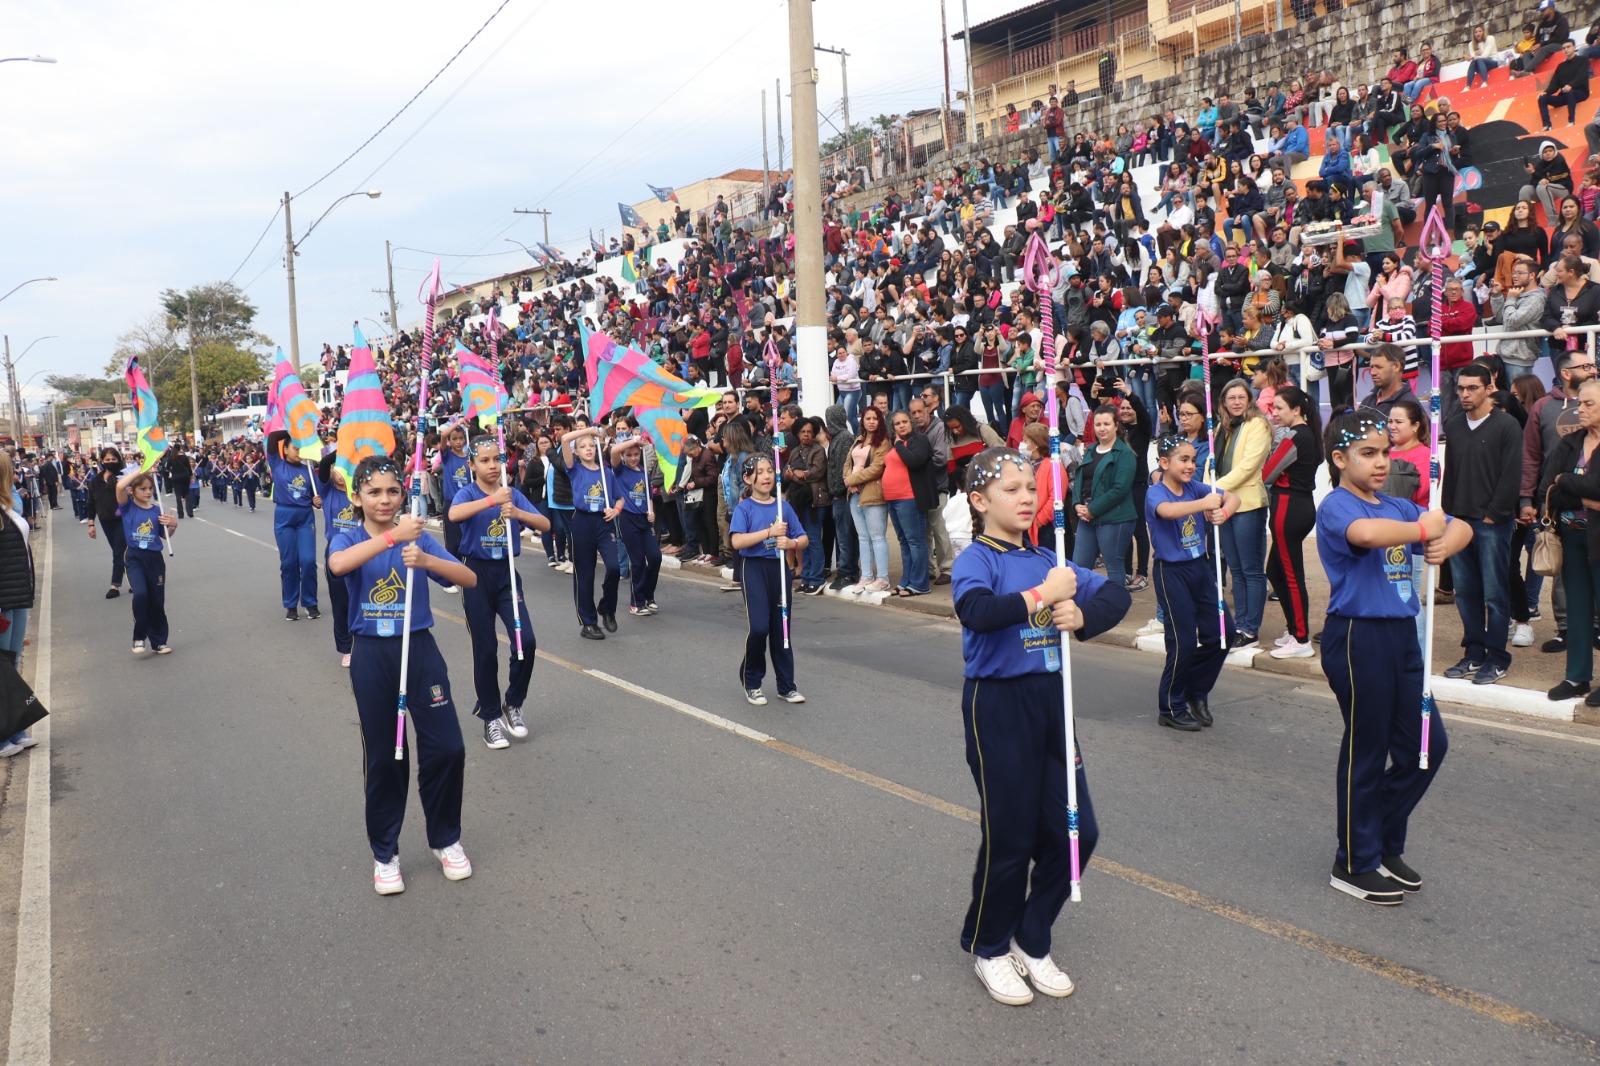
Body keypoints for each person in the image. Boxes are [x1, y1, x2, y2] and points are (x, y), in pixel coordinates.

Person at [952, 446, 1130, 1005]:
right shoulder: (977, 559)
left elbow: (1115, 594)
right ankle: (989, 946)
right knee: (1010, 836)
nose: (1026, 497)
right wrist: (1041, 597)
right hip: (997, 704)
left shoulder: (1049, 558)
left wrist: (1082, 616)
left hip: (1052, 700)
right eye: (1011, 489)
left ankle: (1032, 937)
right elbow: (977, 612)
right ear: (980, 501)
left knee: (1077, 832)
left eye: (1031, 487)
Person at [1317, 408, 1471, 905]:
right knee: (1368, 748)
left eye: (1386, 451)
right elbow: (1366, 536)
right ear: (1340, 459)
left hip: (1404, 635)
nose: (1381, 461)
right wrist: (1425, 531)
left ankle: (1379, 837)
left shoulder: (1399, 506)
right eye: (1368, 453)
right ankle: (1354, 861)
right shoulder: (1337, 506)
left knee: (1427, 746)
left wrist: (1445, 542)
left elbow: (1458, 527)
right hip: (1358, 635)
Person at [328, 456, 478, 896]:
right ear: (357, 497)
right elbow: (339, 565)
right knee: (386, 757)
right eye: (373, 492)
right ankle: (385, 854)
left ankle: (445, 839)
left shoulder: (418, 537)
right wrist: (394, 537)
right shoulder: (349, 536)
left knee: (448, 747)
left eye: (393, 491)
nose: (384, 499)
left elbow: (468, 578)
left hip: (420, 650)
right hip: (372, 655)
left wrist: (427, 559)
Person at [448, 436, 549, 750]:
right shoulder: (468, 493)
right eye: (484, 460)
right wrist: (492, 502)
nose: (492, 466)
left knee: (526, 641)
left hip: (507, 574)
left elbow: (545, 524)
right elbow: (454, 515)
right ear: (472, 465)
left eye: (497, 459)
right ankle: (490, 717)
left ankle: (513, 703)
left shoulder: (512, 493)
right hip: (475, 575)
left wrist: (518, 513)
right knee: (485, 648)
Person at [1440, 363, 1524, 686]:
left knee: (1494, 594)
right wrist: (1449, 516)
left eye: (1472, 388)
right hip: (1458, 521)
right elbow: (1451, 473)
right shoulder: (1454, 425)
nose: (1464, 394)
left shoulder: (1507, 425)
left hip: (1492, 523)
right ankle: (1474, 652)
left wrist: (1494, 514)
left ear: (1489, 389)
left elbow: (1511, 474)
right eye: (1461, 388)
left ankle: (1497, 658)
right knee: (1465, 593)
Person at [1147, 436, 1237, 731]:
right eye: (1183, 460)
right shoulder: (1156, 492)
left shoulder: (1195, 488)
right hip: (1171, 572)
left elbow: (1232, 497)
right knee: (1183, 641)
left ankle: (1196, 690)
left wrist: (1223, 512)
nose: (1190, 466)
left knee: (1223, 633)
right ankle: (1170, 707)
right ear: (1164, 463)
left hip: (1200, 567)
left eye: (1193, 460)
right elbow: (1167, 511)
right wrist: (1204, 504)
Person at [730, 455, 808, 706]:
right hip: (754, 568)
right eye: (760, 472)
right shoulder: (744, 508)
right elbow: (737, 541)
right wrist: (769, 533)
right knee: (759, 628)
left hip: (779, 569)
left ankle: (786, 686)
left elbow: (803, 538)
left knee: (781, 629)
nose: (766, 476)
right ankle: (752, 682)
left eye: (769, 471)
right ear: (748, 478)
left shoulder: (783, 507)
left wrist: (791, 543)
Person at [1263, 386, 1323, 659]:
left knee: (1290, 576)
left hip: (1289, 508)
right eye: (1272, 407)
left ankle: (1300, 639)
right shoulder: (1307, 433)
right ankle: (1293, 629)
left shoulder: (1296, 435)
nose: (1273, 413)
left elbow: (1267, 473)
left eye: (1279, 408)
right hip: (1296, 506)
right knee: (1275, 572)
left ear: (1296, 410)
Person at [1212, 380, 1272, 648]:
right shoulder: (1222, 428)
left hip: (1248, 504)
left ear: (1249, 400)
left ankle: (1250, 629)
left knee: (1251, 570)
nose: (1236, 402)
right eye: (1231, 398)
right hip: (1223, 504)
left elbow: (1249, 466)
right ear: (1224, 402)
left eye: (1241, 397)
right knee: (1235, 569)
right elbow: (1211, 463)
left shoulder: (1258, 425)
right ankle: (1240, 625)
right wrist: (1208, 492)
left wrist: (1214, 488)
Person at [561, 426, 623, 640]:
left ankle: (607, 607)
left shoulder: (606, 473)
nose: (588, 449)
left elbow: (620, 498)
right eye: (583, 446)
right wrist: (589, 431)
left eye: (591, 446)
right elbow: (565, 438)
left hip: (604, 523)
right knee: (585, 573)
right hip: (582, 522)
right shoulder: (574, 469)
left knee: (614, 567)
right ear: (576, 451)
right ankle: (588, 622)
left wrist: (616, 510)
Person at [1071, 406, 1137, 589]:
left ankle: (1116, 604)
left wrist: (1092, 509)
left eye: (1106, 424)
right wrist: (1076, 504)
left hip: (1115, 518)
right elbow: (1078, 480)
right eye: (1098, 424)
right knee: (1079, 565)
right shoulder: (1090, 450)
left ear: (1116, 425)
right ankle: (1082, 602)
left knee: (1113, 566)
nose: (1102, 428)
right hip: (1086, 516)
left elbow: (1119, 489)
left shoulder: (1124, 454)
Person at [115, 466, 178, 655]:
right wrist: (144, 469)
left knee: (157, 601)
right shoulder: (127, 507)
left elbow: (165, 536)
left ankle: (159, 642)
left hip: (155, 560)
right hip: (135, 558)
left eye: (150, 488)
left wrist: (173, 525)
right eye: (142, 488)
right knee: (141, 595)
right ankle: (139, 637)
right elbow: (119, 487)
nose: (148, 492)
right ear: (132, 490)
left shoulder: (157, 510)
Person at [608, 427, 665, 615]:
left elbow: (648, 497)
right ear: (623, 456)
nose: (633, 458)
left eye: (636, 454)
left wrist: (652, 512)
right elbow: (614, 451)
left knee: (655, 557)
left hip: (644, 520)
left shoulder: (644, 472)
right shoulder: (619, 470)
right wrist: (635, 440)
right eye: (629, 455)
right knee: (638, 561)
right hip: (627, 519)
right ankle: (636, 602)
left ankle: (649, 596)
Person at [267, 431, 321, 621]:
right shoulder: (277, 464)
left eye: (301, 448)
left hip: (305, 518)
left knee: (308, 561)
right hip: (284, 518)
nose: (299, 452)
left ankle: (310, 602)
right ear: (285, 450)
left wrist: (316, 501)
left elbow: (317, 498)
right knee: (289, 563)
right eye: (295, 448)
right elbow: (273, 437)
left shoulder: (309, 471)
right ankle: (290, 605)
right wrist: (294, 429)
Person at [315, 452, 362, 667]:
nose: (341, 473)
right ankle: (346, 648)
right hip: (337, 555)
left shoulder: (360, 494)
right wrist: (344, 448)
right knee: (341, 602)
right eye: (338, 468)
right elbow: (325, 463)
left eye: (346, 468)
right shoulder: (327, 491)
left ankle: (364, 641)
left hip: (361, 552)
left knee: (362, 599)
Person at [885, 409, 935, 596]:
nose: (901, 426)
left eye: (904, 422)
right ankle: (906, 580)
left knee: (915, 542)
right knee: (904, 542)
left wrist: (899, 445)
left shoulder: (919, 440)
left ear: (911, 423)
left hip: (909, 498)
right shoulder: (896, 443)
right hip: (893, 499)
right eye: (897, 424)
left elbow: (914, 461)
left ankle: (920, 584)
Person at [844, 406, 893, 593]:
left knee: (877, 537)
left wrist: (852, 480)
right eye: (868, 418)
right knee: (863, 538)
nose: (871, 422)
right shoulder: (858, 440)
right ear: (862, 421)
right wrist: (848, 480)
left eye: (875, 418)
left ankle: (883, 578)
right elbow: (847, 464)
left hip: (873, 494)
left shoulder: (883, 442)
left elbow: (877, 468)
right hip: (854, 494)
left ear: (880, 421)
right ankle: (866, 576)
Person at [433, 424, 472, 590]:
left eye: (461, 438)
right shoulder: (447, 456)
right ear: (449, 441)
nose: (458, 442)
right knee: (453, 544)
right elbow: (442, 436)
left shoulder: (469, 459)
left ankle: (464, 575)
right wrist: (458, 422)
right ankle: (448, 581)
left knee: (467, 542)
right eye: (454, 439)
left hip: (468, 505)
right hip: (451, 504)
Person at [86, 448, 129, 599]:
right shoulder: (95, 481)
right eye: (107, 460)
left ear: (119, 460)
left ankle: (115, 585)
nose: (110, 462)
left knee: (118, 552)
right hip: (105, 521)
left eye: (113, 459)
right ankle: (134, 578)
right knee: (120, 553)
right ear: (102, 461)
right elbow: (91, 503)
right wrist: (91, 524)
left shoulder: (123, 477)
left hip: (122, 520)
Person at [1537, 39, 1591, 130]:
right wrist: (1546, 92)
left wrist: (1571, 85)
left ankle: (1571, 121)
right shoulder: (1561, 66)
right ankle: (1547, 125)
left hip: (1581, 93)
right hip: (1565, 96)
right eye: (1564, 48)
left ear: (1574, 47)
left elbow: (1582, 76)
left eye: (1568, 47)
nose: (1566, 49)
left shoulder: (1583, 60)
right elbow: (1555, 83)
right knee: (1542, 98)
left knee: (1570, 92)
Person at [1359, 344, 1418, 416]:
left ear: (1396, 366)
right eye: (1371, 367)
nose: (1372, 372)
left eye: (1379, 367)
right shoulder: (1366, 402)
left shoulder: (1410, 408)